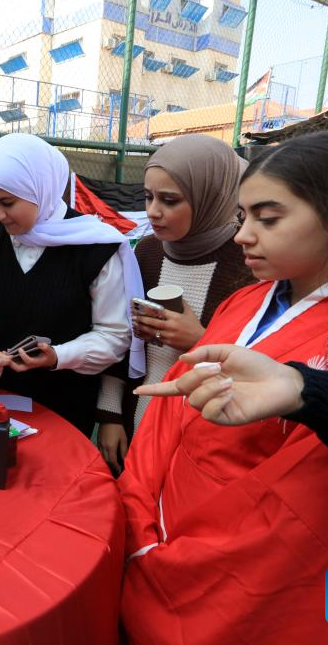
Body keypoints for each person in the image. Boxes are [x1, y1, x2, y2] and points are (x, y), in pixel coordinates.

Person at [118, 131, 328, 644]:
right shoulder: (245, 302)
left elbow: (310, 512)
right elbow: (169, 412)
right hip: (158, 521)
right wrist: (138, 516)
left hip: (241, 570)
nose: (242, 236)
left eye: (267, 219)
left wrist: (178, 559)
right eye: (242, 218)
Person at [0, 133, 143, 436]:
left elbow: (114, 336)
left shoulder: (94, 246)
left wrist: (59, 355)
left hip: (65, 405)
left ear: (41, 190)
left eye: (7, 202)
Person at [97, 134, 254, 474]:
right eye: (148, 196)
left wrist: (200, 340)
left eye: (169, 200)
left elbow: (262, 365)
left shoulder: (246, 264)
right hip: (134, 421)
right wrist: (109, 413)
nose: (153, 211)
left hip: (201, 438)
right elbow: (123, 336)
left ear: (209, 197)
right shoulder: (147, 251)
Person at [135, 344, 328, 490]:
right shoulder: (245, 296)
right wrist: (301, 386)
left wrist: (308, 392)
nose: (241, 237)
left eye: (271, 234)